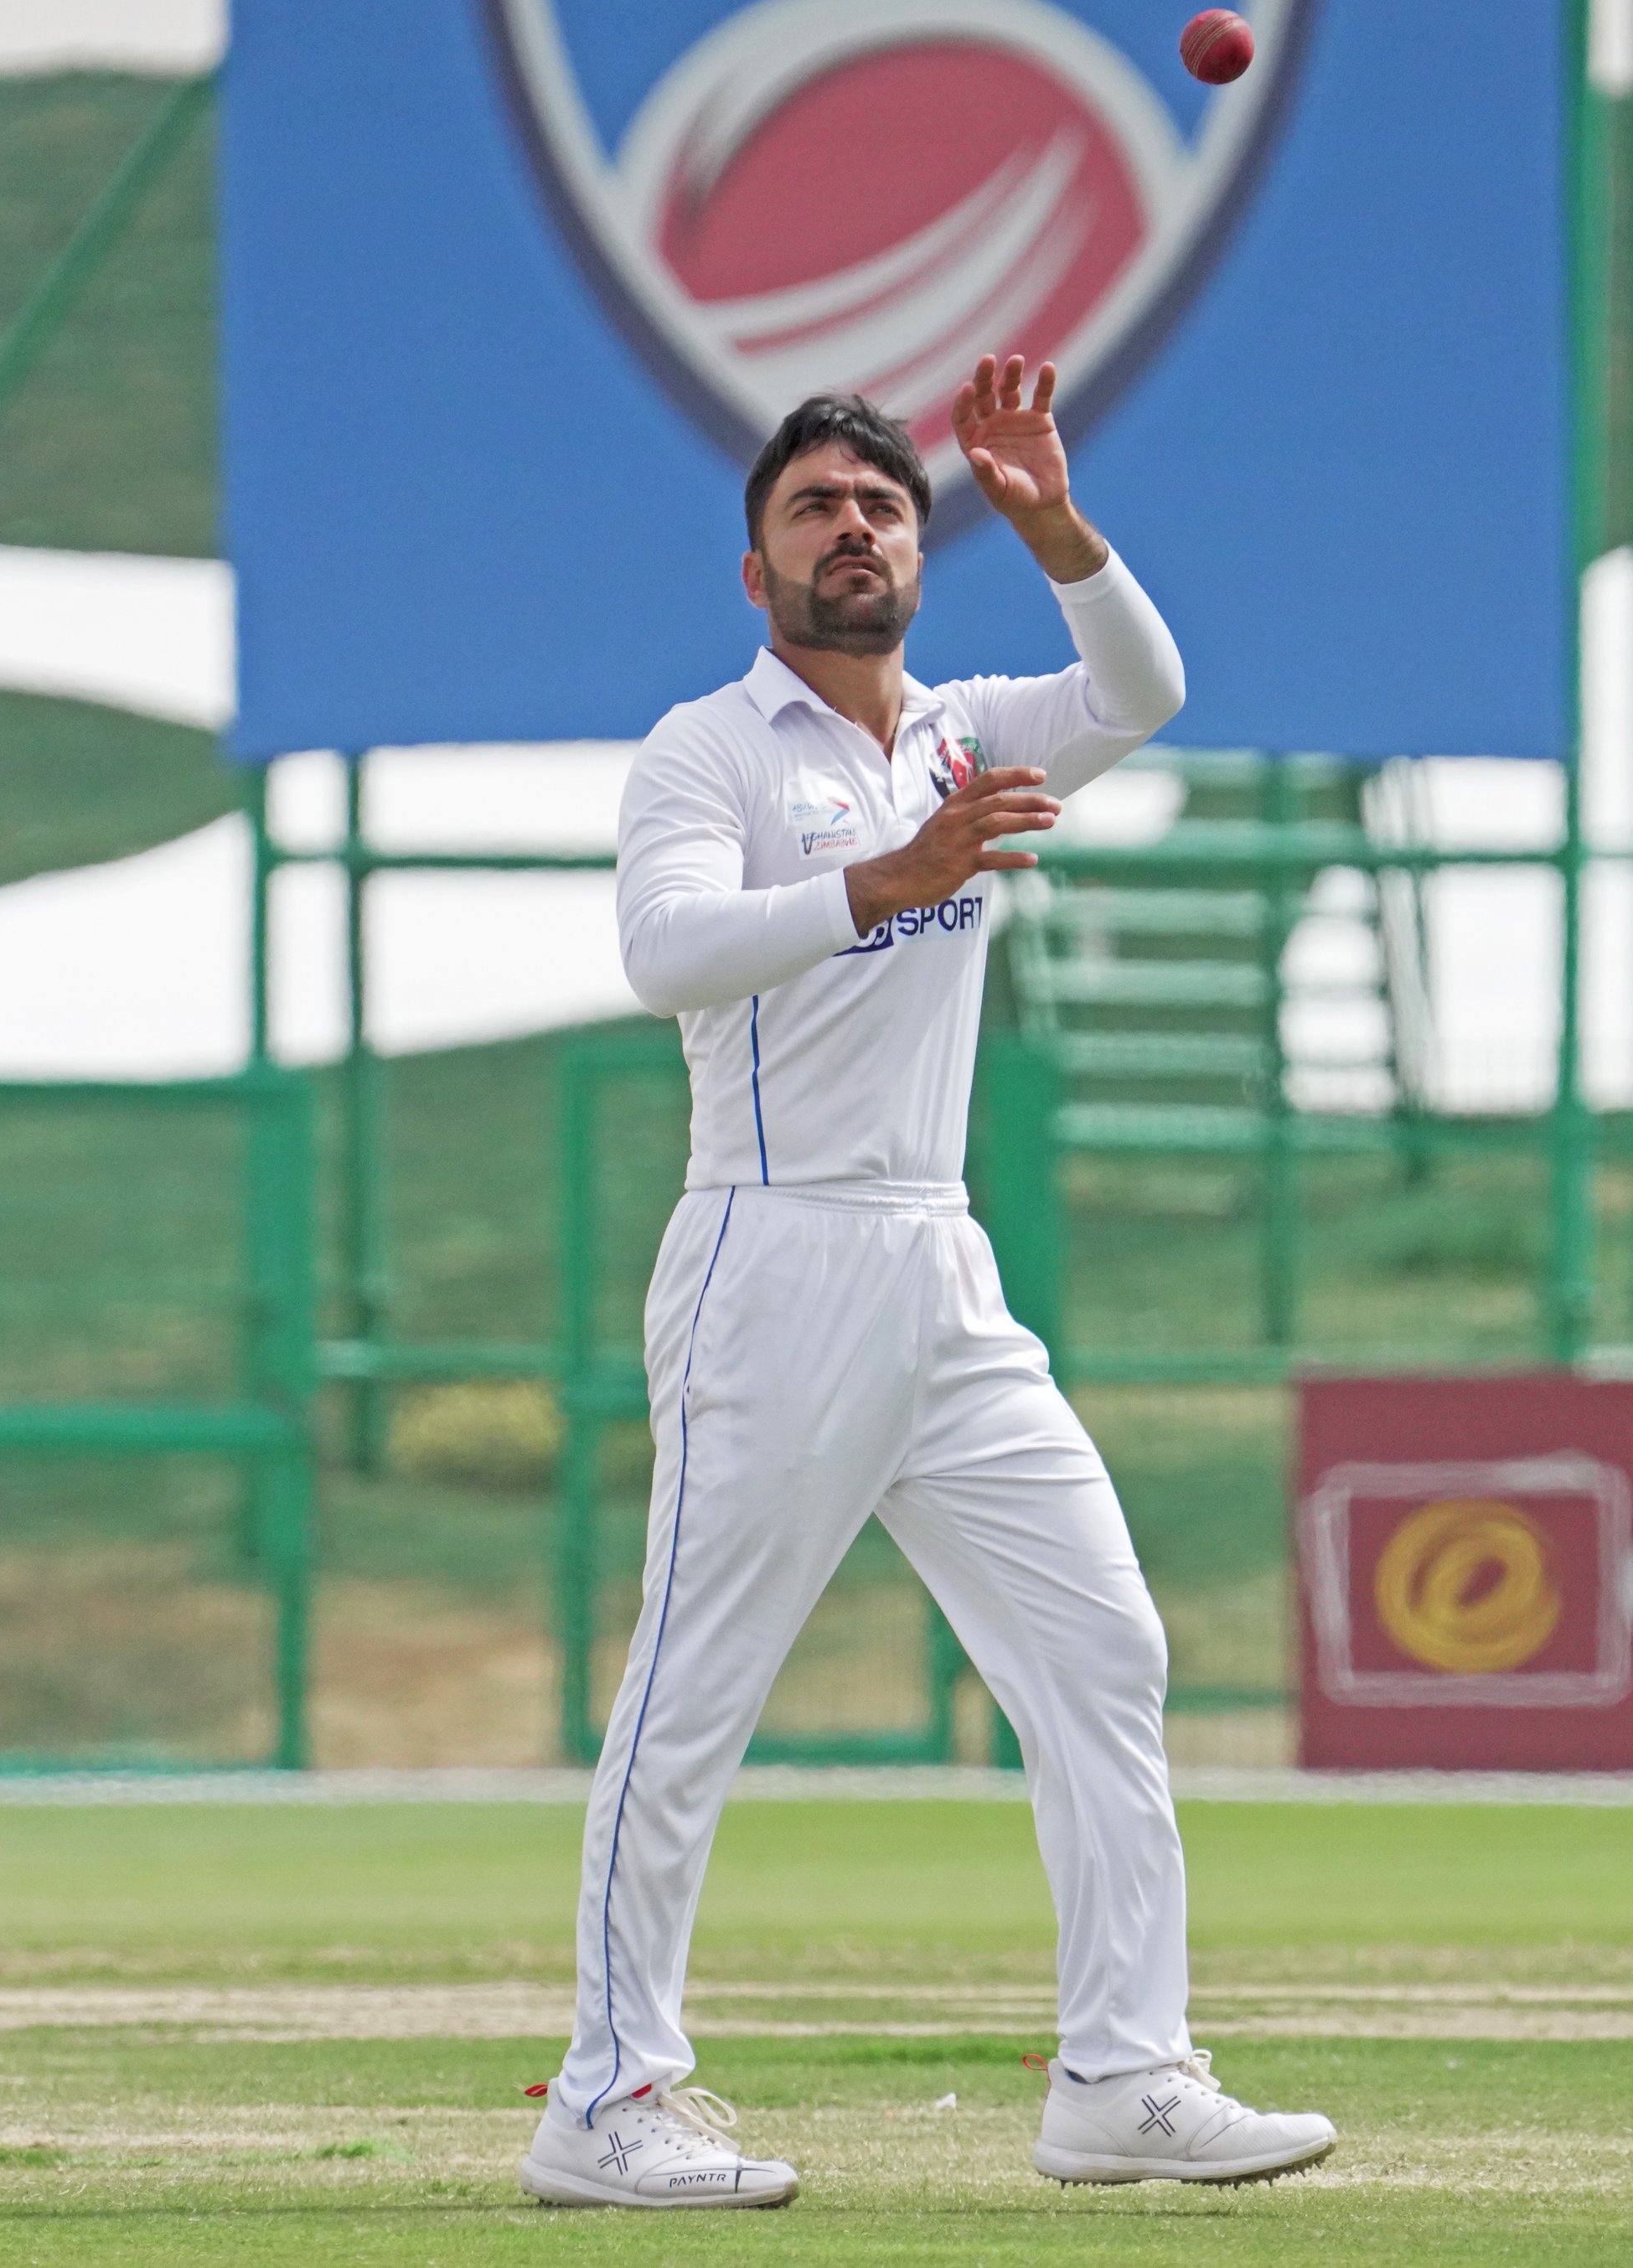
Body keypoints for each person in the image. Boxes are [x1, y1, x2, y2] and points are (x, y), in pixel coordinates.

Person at [517, 361, 1336, 2209]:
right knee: (692, 1691)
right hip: (769, 1243)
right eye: (812, 510)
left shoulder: (964, 731)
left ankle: (1122, 2073)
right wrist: (877, 885)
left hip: (938, 1260)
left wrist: (1050, 519)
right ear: (756, 573)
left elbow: (1140, 690)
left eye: (879, 506)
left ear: (917, 547)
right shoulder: (708, 749)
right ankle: (606, 2095)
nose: (852, 530)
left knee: (1101, 1646)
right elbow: (662, 951)